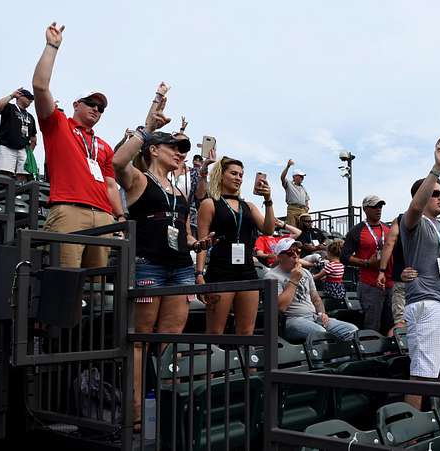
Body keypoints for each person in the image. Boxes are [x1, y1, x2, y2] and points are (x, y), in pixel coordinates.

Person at [112, 83, 214, 430]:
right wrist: (148, 127)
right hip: (149, 266)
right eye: (176, 148)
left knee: (168, 342)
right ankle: (137, 410)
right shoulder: (138, 179)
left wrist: (197, 244)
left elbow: (183, 232)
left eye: (184, 150)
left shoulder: (179, 189)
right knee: (141, 339)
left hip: (180, 269)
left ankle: (168, 409)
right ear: (154, 149)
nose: (182, 153)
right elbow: (117, 160)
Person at [32, 22, 125, 268]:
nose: (97, 109)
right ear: (76, 104)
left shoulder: (103, 144)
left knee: (95, 287)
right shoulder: (58, 124)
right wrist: (52, 46)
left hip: (104, 215)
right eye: (91, 103)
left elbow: (111, 185)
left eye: (101, 108)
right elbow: (40, 87)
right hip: (69, 209)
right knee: (64, 279)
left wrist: (120, 218)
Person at [399, 137, 440, 410]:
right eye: (435, 193)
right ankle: (410, 436)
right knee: (422, 377)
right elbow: (414, 207)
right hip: (426, 305)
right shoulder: (414, 221)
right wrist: (437, 169)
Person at [196, 156, 275, 336]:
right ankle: (214, 364)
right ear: (221, 175)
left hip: (247, 270)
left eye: (241, 175)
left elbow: (268, 229)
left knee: (247, 332)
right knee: (215, 332)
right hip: (221, 271)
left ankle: (248, 365)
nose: (238, 178)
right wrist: (199, 274)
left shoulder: (248, 205)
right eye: (233, 173)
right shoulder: (209, 203)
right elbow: (202, 242)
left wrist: (268, 200)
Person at [266, 238, 358, 342]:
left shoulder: (305, 272)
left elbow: (316, 299)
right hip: (291, 320)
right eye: (290, 252)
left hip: (313, 317)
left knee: (352, 331)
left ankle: (339, 358)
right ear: (279, 256)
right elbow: (280, 308)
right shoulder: (272, 276)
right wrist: (293, 280)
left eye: (298, 251)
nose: (295, 255)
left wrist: (322, 314)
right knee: (321, 334)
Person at [341, 195, 393, 334]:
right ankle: (374, 354)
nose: (378, 209)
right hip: (370, 285)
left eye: (380, 206)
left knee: (390, 324)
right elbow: (344, 257)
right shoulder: (357, 230)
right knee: (372, 326)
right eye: (374, 206)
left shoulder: (388, 229)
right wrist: (367, 263)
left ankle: (389, 353)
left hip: (390, 284)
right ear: (365, 209)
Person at [0, 87, 38, 181]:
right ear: (20, 96)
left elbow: (33, 137)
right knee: (5, 175)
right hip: (7, 147)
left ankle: (19, 195)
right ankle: (5, 194)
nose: (30, 100)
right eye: (28, 97)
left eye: (31, 99)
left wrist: (29, 153)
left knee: (23, 175)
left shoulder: (30, 117)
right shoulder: (10, 108)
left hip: (23, 149)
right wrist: (12, 96)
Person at [376, 214, 406, 336]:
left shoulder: (400, 220)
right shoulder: (435, 224)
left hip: (404, 280)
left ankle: (396, 351)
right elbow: (389, 244)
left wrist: (381, 271)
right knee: (402, 324)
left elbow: (389, 243)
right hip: (420, 282)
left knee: (401, 323)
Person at [281, 159, 310, 226]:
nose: (302, 178)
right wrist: (288, 166)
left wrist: (306, 208)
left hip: (303, 210)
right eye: (300, 176)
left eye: (302, 177)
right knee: (293, 229)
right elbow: (282, 177)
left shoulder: (303, 188)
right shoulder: (288, 184)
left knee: (303, 229)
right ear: (294, 176)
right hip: (292, 209)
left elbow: (306, 200)